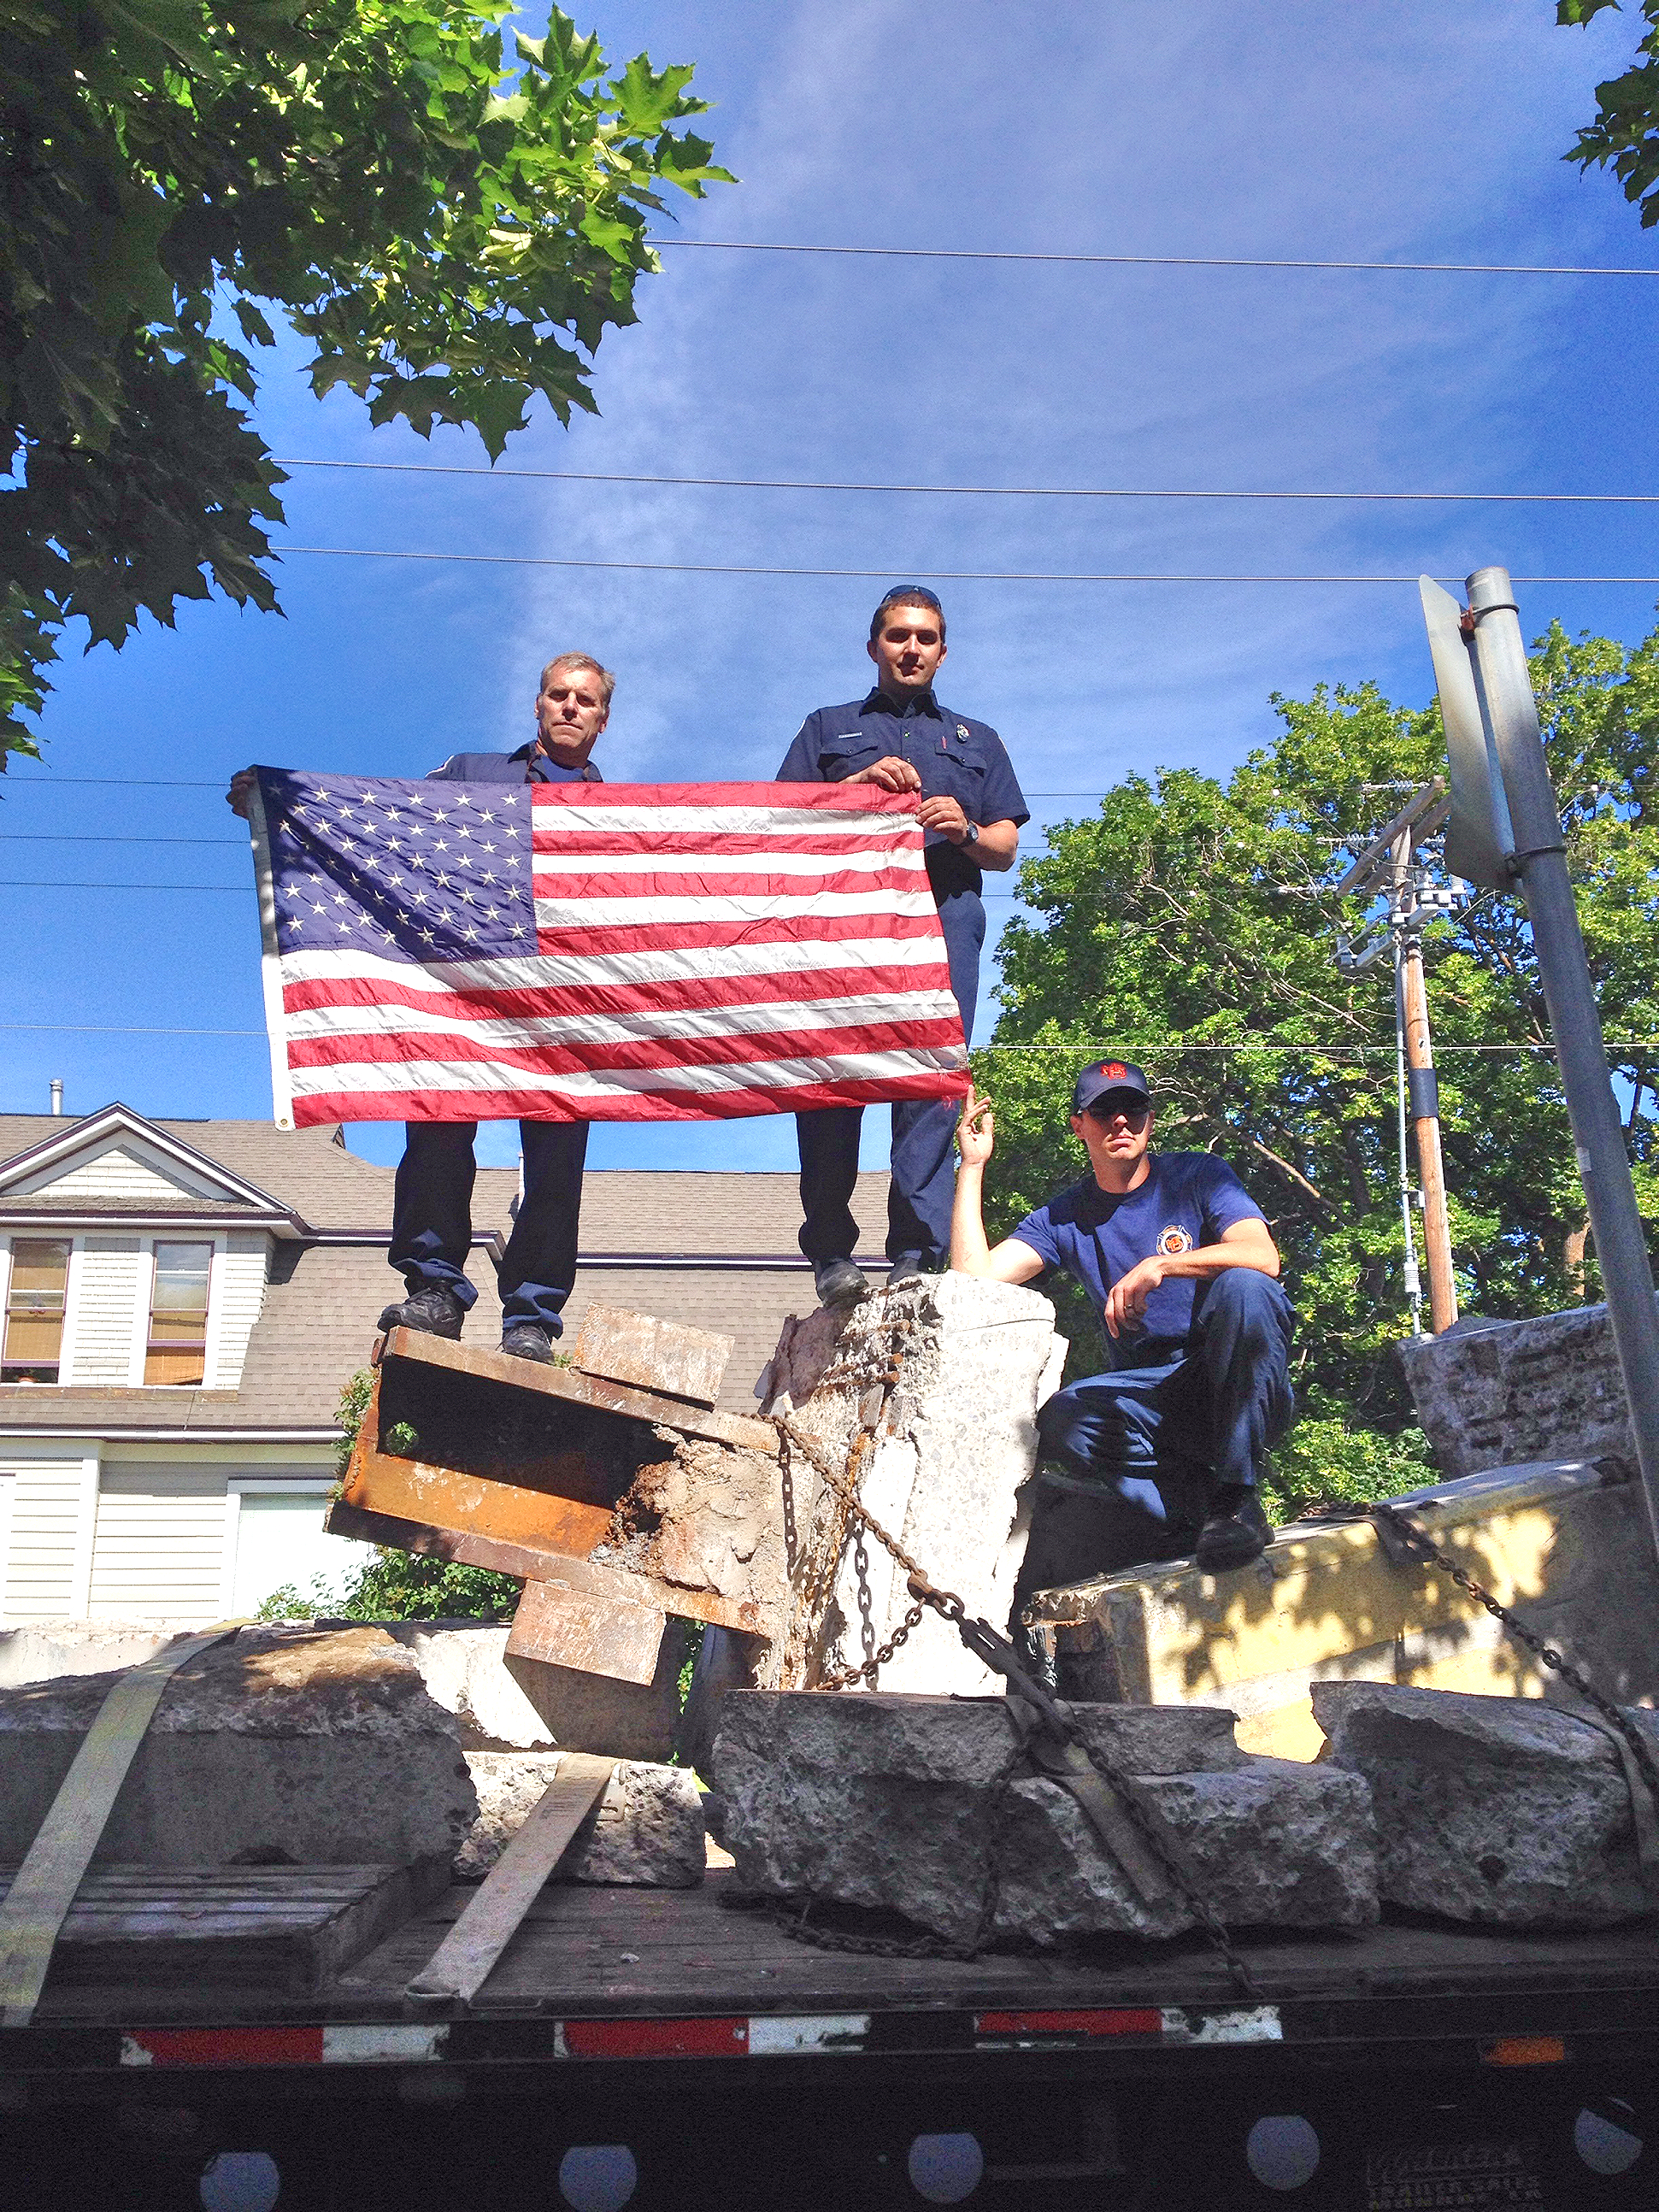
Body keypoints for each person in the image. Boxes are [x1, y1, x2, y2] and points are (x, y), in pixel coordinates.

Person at [228, 653, 614, 1362]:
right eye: (558, 694)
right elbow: (378, 822)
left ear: (602, 718)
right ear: (537, 705)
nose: (569, 707)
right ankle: (435, 1287)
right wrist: (282, 802)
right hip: (460, 985)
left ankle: (531, 1316)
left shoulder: (624, 809)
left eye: (584, 700)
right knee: (437, 1130)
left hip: (561, 1003)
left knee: (555, 1164)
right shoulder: (471, 773)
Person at [950, 1060, 1293, 1591]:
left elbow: (1262, 1256)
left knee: (1245, 1289)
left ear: (1149, 1120)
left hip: (1238, 1381)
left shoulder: (1199, 1175)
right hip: (1152, 1399)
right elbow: (973, 1279)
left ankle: (1237, 1495)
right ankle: (1201, 1517)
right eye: (1104, 1111)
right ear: (1079, 1125)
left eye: (1133, 1109)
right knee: (1064, 1419)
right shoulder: (1064, 1217)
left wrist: (1162, 1265)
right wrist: (972, 1167)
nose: (1121, 1122)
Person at [775, 587, 1029, 1306]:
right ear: (873, 647)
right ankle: (831, 1253)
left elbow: (1005, 846)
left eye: (925, 637)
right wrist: (853, 787)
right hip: (842, 926)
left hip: (943, 915)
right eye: (897, 636)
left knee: (927, 1081)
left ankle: (916, 1254)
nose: (910, 648)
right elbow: (780, 820)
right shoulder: (827, 728)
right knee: (832, 1079)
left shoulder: (978, 739)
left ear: (943, 651)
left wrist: (965, 829)